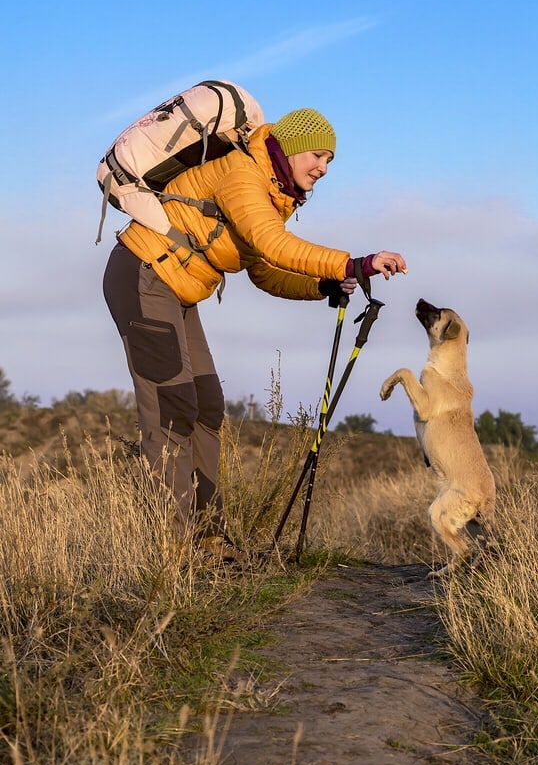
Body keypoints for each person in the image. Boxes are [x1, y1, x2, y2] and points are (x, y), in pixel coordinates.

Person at [103, 107, 406, 559]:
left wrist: (323, 285)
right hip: (144, 275)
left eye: (329, 161)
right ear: (289, 147)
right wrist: (354, 263)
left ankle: (209, 537)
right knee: (173, 406)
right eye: (317, 155)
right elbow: (273, 244)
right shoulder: (243, 175)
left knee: (207, 406)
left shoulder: (270, 192)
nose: (323, 168)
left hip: (175, 288)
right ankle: (173, 548)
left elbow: (265, 271)